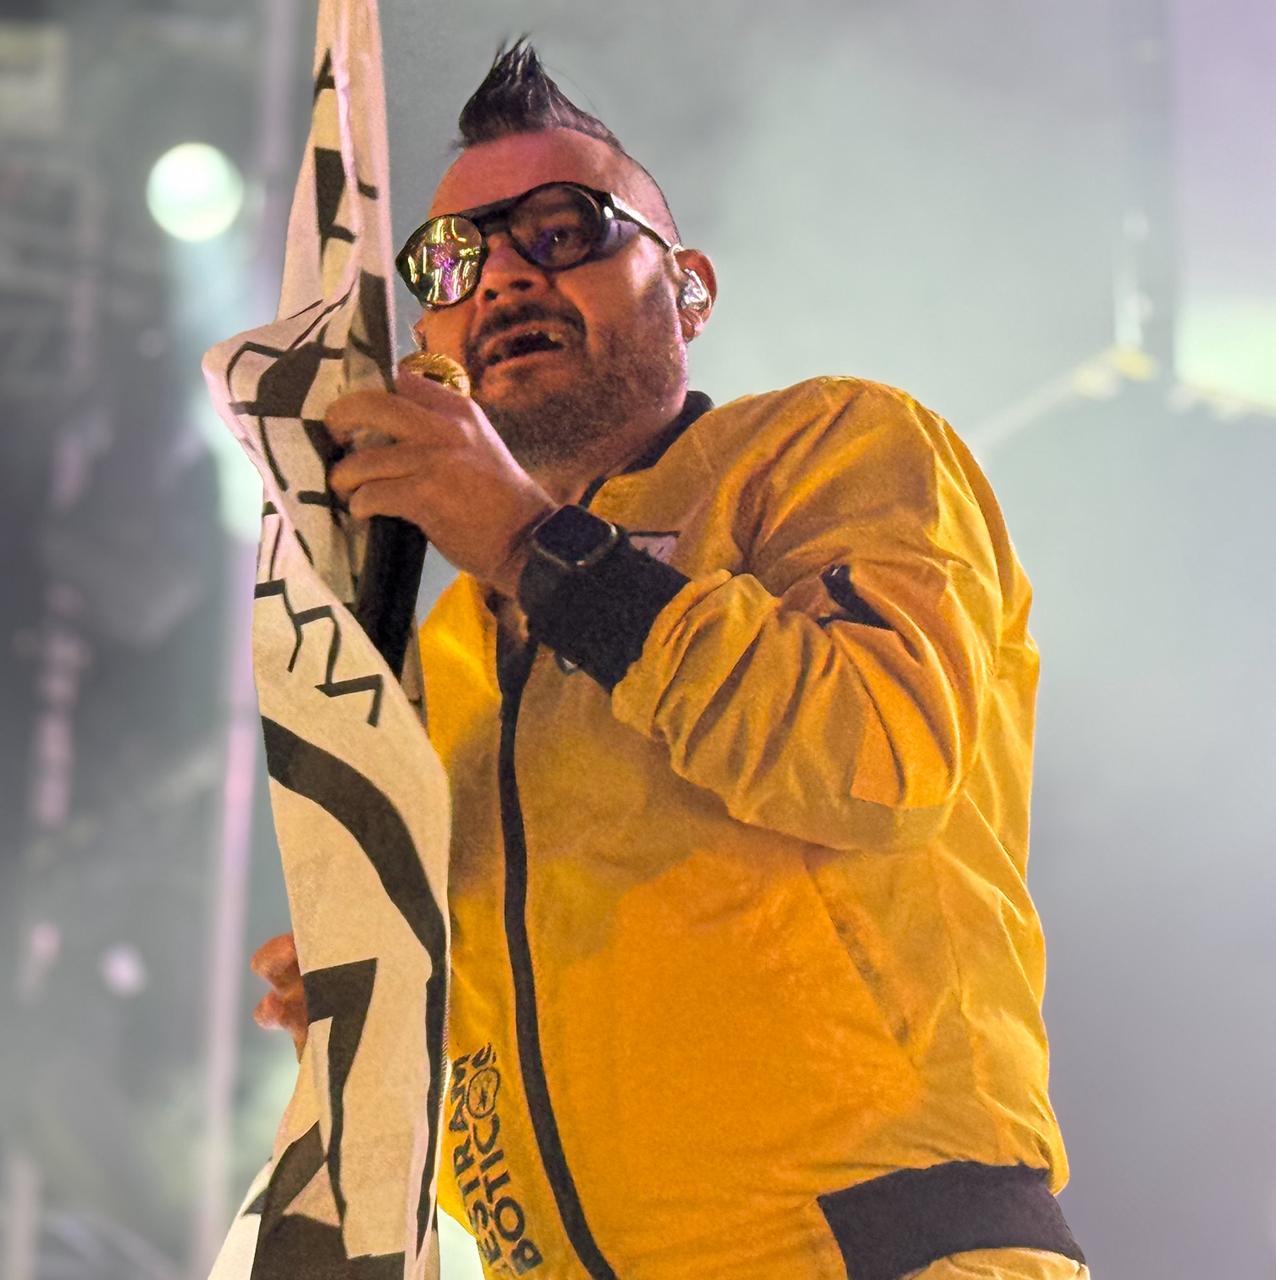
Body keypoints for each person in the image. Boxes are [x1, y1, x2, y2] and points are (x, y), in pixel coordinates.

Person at [252, 41, 1088, 1280]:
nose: (502, 278)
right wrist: (380, 1001)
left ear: (687, 288)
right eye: (451, 262)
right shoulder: (450, 648)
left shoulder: (832, 446)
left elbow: (877, 757)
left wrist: (532, 544)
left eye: (562, 230)